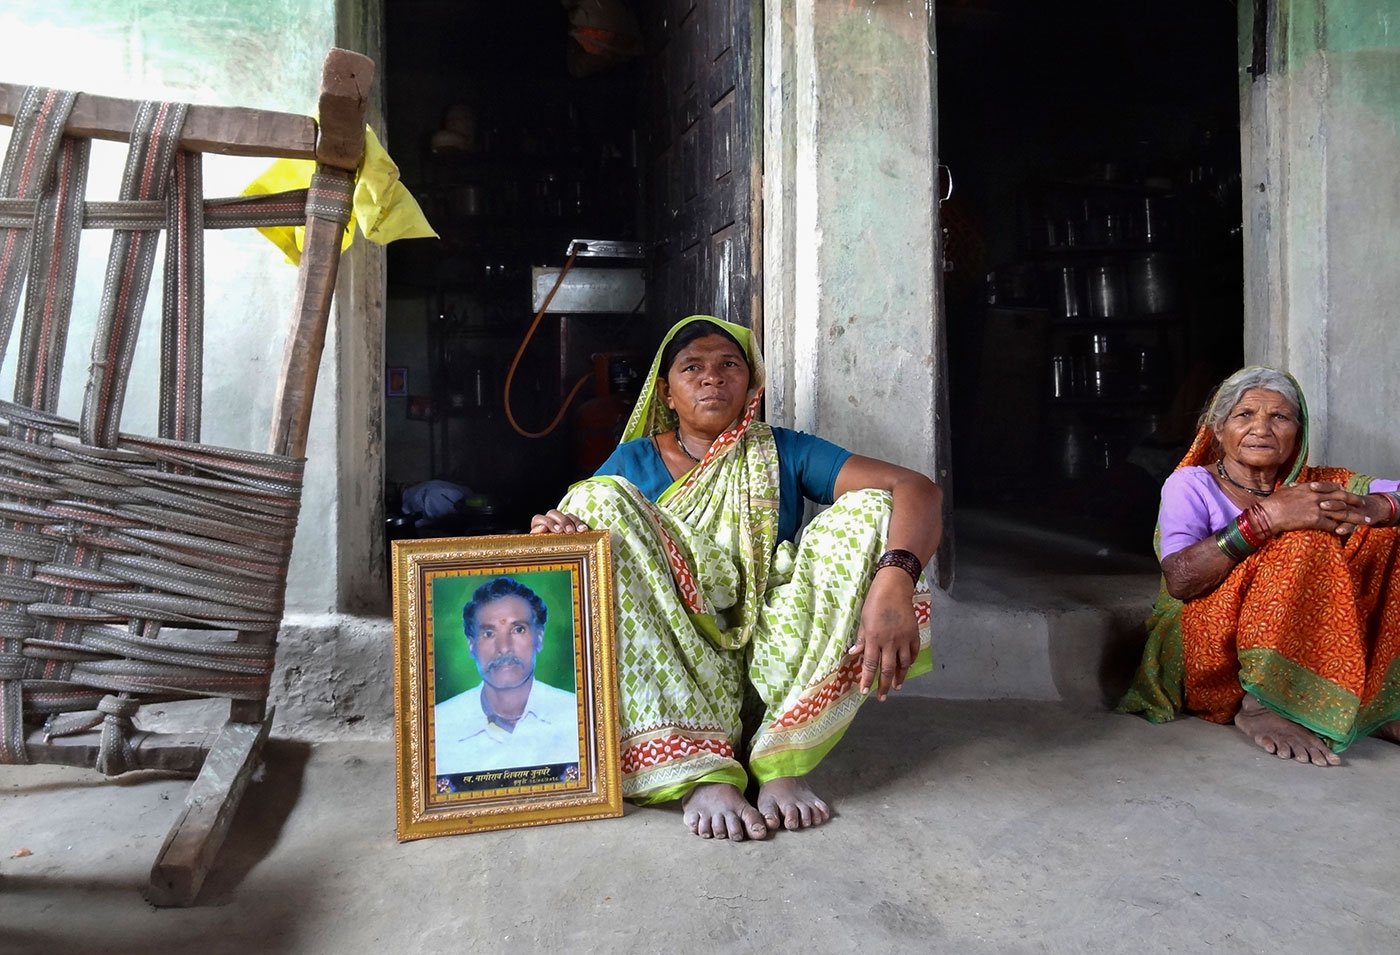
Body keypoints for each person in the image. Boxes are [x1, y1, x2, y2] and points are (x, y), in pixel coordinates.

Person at [531, 315, 943, 840]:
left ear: (751, 384)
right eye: (692, 368)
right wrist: (556, 528)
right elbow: (579, 544)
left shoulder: (782, 451)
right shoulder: (634, 462)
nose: (712, 378)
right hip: (676, 662)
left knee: (872, 511)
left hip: (775, 659)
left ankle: (782, 758)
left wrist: (894, 585)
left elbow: (916, 489)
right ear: (667, 393)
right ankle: (697, 768)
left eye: (729, 365)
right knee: (593, 500)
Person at [1119, 366, 1400, 766]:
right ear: (1218, 430)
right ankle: (1261, 704)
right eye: (1244, 415)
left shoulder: (1316, 484)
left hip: (1304, 643)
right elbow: (1180, 580)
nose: (1261, 428)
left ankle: (1382, 703)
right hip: (1212, 650)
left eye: (1279, 417)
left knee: (1388, 533)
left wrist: (1377, 507)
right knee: (1307, 535)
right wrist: (1265, 520)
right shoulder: (1191, 484)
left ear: (1297, 433)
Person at [434, 576, 581, 776]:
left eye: (518, 629)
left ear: (539, 638)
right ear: (471, 645)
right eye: (488, 633)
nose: (504, 648)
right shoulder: (439, 726)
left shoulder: (577, 717)